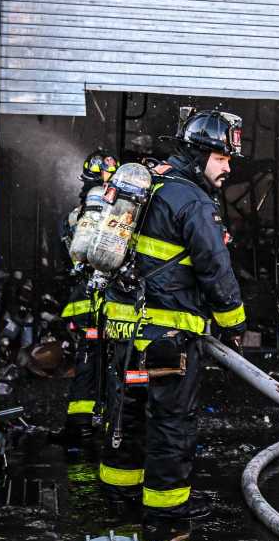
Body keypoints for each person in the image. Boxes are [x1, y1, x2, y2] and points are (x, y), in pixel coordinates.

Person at [98, 110, 247, 517]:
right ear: (200, 153)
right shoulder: (194, 200)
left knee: (125, 414)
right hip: (168, 336)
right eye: (223, 158)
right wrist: (235, 324)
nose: (228, 168)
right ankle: (167, 508)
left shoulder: (149, 185)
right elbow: (215, 269)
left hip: (124, 331)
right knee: (171, 420)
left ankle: (119, 495)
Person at [58, 150, 117, 441]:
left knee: (86, 359)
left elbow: (67, 253)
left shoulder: (74, 216)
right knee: (113, 361)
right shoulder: (114, 214)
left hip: (82, 301)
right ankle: (107, 420)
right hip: (106, 300)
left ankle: (80, 422)